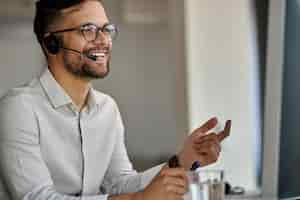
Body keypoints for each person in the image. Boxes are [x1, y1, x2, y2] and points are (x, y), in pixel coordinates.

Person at [0, 0, 231, 200]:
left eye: (106, 29)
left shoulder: (107, 108)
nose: (103, 40)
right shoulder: (19, 108)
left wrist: (182, 160)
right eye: (88, 29)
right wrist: (137, 199)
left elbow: (119, 184)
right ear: (51, 43)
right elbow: (35, 197)